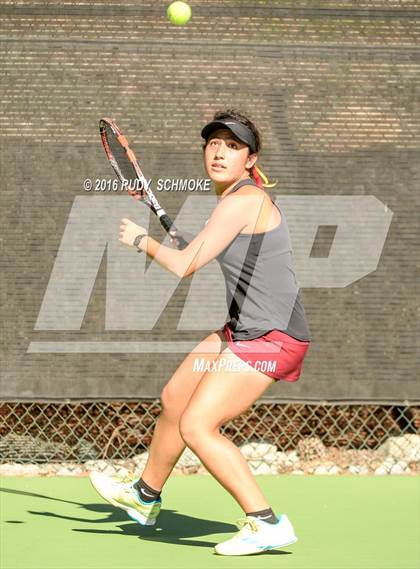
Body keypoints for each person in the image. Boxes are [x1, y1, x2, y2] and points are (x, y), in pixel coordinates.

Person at [90, 109, 311, 556]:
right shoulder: (236, 201)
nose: (220, 152)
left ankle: (266, 523)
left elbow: (185, 265)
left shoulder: (243, 201)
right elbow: (204, 250)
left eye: (233, 146)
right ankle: (144, 496)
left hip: (272, 340)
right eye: (214, 143)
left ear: (251, 159)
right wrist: (173, 236)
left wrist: (140, 239)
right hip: (243, 331)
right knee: (176, 397)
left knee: (197, 424)